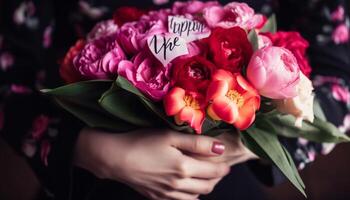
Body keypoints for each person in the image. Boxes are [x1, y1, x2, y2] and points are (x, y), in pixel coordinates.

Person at [0, 0, 349, 200]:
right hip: (89, 177)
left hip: (227, 178)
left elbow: (339, 73)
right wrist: (87, 149)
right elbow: (8, 70)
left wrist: (250, 141)